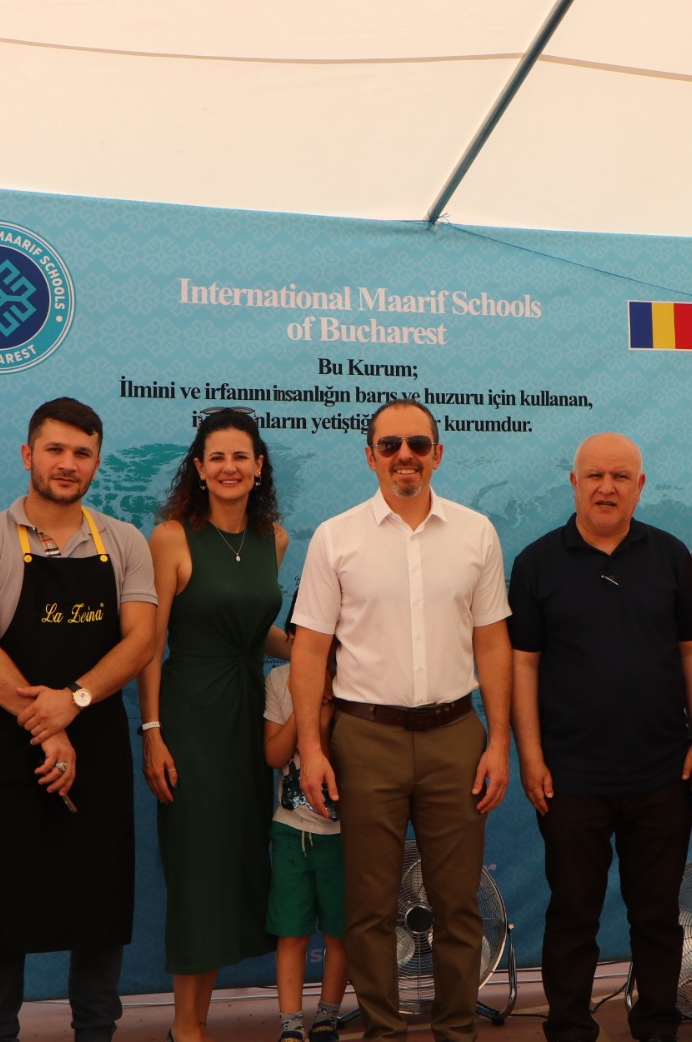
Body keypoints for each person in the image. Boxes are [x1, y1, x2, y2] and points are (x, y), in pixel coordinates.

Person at [288, 397, 512, 1042]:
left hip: (455, 737)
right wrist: (312, 748)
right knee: (368, 906)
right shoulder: (335, 537)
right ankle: (383, 1033)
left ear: (438, 454)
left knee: (458, 904)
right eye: (390, 445)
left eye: (417, 444)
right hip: (364, 739)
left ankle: (456, 1032)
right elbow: (310, 649)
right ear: (370, 457)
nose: (404, 456)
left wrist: (498, 742)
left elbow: (493, 640)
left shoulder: (476, 532)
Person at [0, 397, 157, 1042]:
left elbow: (141, 641)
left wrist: (76, 700)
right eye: (55, 449)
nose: (68, 464)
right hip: (9, 746)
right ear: (28, 454)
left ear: (96, 462)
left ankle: (96, 1031)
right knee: (3, 898)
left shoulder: (124, 542)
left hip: (97, 742)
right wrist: (49, 724)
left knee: (99, 900)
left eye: (82, 453)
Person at [508, 432, 692, 1042]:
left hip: (662, 771)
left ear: (639, 486)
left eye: (620, 476)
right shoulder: (536, 562)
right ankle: (569, 1027)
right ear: (574, 482)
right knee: (573, 913)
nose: (606, 487)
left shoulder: (670, 555)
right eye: (594, 475)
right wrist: (530, 756)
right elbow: (523, 664)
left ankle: (657, 1026)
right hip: (570, 775)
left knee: (658, 916)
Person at [137, 406, 290, 1042]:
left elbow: (256, 632)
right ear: (198, 469)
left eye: (241, 457)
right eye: (217, 457)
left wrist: (319, 651)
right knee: (198, 866)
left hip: (250, 717)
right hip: (191, 717)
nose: (229, 467)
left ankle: (197, 1018)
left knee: (235, 862)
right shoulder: (171, 537)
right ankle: (186, 1027)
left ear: (259, 467)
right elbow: (150, 643)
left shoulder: (274, 539)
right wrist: (152, 731)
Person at [263, 610, 349, 1042]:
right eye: (302, 636)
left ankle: (328, 1017)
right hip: (290, 830)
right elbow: (275, 756)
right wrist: (305, 707)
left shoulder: (352, 682)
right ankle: (291, 1025)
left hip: (343, 835)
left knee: (340, 933)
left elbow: (342, 767)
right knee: (292, 933)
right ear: (292, 637)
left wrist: (327, 719)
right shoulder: (279, 680)